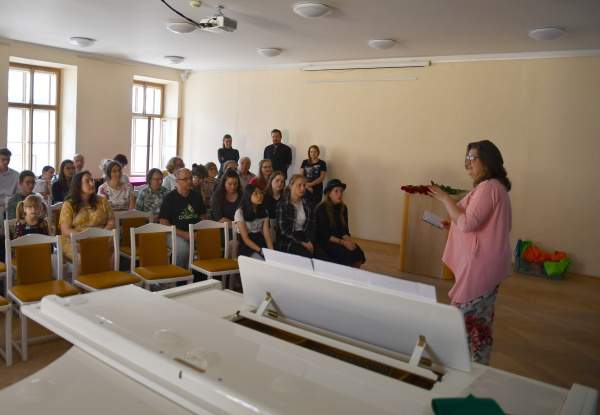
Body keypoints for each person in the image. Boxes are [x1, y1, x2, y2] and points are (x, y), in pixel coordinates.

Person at [429, 139, 512, 365]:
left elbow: (468, 224)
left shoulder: (488, 188)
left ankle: (458, 367)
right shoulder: (495, 187)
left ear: (487, 161)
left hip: (480, 266)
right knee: (480, 324)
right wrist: (452, 222)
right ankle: (478, 369)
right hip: (488, 265)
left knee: (458, 322)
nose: (467, 164)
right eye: (466, 158)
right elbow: (471, 220)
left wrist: (445, 198)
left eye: (472, 158)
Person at [60, 171, 115, 259]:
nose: (92, 183)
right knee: (83, 257)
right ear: (78, 185)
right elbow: (65, 229)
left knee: (110, 253)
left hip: (100, 237)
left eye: (92, 180)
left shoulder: (102, 201)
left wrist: (101, 235)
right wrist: (86, 239)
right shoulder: (69, 204)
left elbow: (111, 221)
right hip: (76, 239)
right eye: (87, 181)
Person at [159, 168, 207, 268]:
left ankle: (201, 274)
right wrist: (184, 234)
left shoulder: (197, 196)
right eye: (185, 179)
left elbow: (203, 217)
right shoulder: (170, 198)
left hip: (194, 233)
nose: (189, 181)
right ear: (177, 181)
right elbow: (163, 222)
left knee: (211, 244)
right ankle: (179, 275)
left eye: (190, 178)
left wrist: (199, 232)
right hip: (174, 233)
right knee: (183, 249)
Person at [315, 179, 365, 267]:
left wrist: (349, 241)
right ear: (329, 194)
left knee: (358, 252)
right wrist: (344, 243)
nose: (340, 194)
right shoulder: (321, 208)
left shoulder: (343, 208)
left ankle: (353, 273)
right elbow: (324, 235)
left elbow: (344, 231)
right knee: (345, 255)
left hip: (339, 239)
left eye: (341, 191)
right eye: (336, 191)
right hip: (326, 241)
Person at [276, 174, 327, 259]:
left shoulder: (307, 204)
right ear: (291, 186)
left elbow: (312, 226)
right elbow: (284, 231)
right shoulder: (282, 204)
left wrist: (308, 240)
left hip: (304, 236)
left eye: (304, 185)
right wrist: (302, 243)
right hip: (288, 239)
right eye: (299, 185)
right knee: (306, 256)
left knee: (323, 258)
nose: (303, 188)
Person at [234, 184, 274, 259]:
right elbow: (245, 239)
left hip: (260, 241)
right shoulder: (240, 212)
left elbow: (267, 236)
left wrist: (272, 251)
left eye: (261, 193)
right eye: (255, 194)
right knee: (261, 261)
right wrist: (260, 250)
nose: (260, 196)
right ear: (248, 196)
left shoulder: (264, 211)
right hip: (246, 245)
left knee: (272, 260)